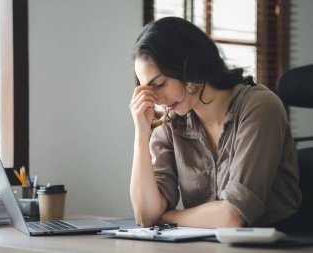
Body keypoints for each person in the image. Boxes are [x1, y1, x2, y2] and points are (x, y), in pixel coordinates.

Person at [129, 17, 301, 228]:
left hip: (278, 245)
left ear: (189, 66)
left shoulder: (259, 106)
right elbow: (146, 217)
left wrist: (166, 217)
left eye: (160, 84)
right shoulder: (171, 125)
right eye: (148, 89)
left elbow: (232, 216)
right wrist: (141, 134)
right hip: (208, 245)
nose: (156, 99)